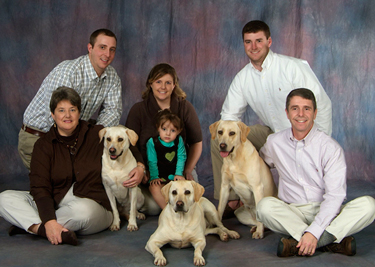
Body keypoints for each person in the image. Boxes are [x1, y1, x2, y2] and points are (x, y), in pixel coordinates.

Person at [211, 20, 333, 214]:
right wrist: (226, 135)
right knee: (220, 139)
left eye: (259, 41)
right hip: (272, 133)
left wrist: (320, 141)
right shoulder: (243, 78)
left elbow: (322, 104)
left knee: (302, 196)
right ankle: (231, 200)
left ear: (269, 41)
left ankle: (304, 206)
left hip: (302, 135)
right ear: (243, 44)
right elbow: (228, 118)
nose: (254, 47)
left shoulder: (291, 67)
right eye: (248, 42)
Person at [256, 88, 375, 257]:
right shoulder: (274, 142)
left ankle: (301, 242)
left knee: (369, 206)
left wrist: (314, 231)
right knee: (264, 207)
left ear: (315, 113)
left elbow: (335, 196)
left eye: (307, 108)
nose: (301, 114)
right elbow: (259, 165)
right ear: (287, 113)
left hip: (328, 211)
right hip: (292, 212)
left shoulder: (330, 148)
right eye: (295, 108)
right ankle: (329, 241)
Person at [0, 87, 124, 246]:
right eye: (61, 110)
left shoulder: (97, 134)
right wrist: (49, 219)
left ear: (79, 112)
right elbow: (39, 186)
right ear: (52, 114)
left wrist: (140, 167)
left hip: (93, 204)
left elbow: (128, 147)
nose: (67, 115)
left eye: (72, 109)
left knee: (84, 212)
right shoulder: (43, 146)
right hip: (56, 200)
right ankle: (44, 229)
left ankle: (29, 225)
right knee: (4, 199)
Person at [18, 28, 122, 170]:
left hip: (71, 137)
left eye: (112, 49)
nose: (107, 54)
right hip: (39, 137)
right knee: (59, 184)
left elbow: (113, 111)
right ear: (90, 48)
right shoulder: (69, 72)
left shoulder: (112, 76)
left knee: (86, 179)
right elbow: (58, 118)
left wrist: (93, 135)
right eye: (102, 47)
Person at [125, 63, 202, 214]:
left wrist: (187, 170)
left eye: (168, 82)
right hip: (151, 172)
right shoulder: (138, 110)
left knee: (192, 200)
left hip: (179, 168)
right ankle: (170, 215)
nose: (163, 87)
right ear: (150, 84)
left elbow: (196, 142)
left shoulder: (184, 107)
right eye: (158, 81)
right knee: (154, 207)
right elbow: (130, 145)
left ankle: (187, 219)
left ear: (174, 85)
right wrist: (142, 167)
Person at [147, 109, 187, 209]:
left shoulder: (179, 141)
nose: (168, 134)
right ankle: (167, 210)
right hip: (160, 177)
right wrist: (154, 176)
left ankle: (183, 207)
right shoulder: (153, 142)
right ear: (158, 128)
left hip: (175, 176)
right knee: (154, 187)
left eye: (173, 130)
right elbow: (152, 161)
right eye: (164, 129)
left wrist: (179, 173)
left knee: (187, 186)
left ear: (179, 131)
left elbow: (181, 157)